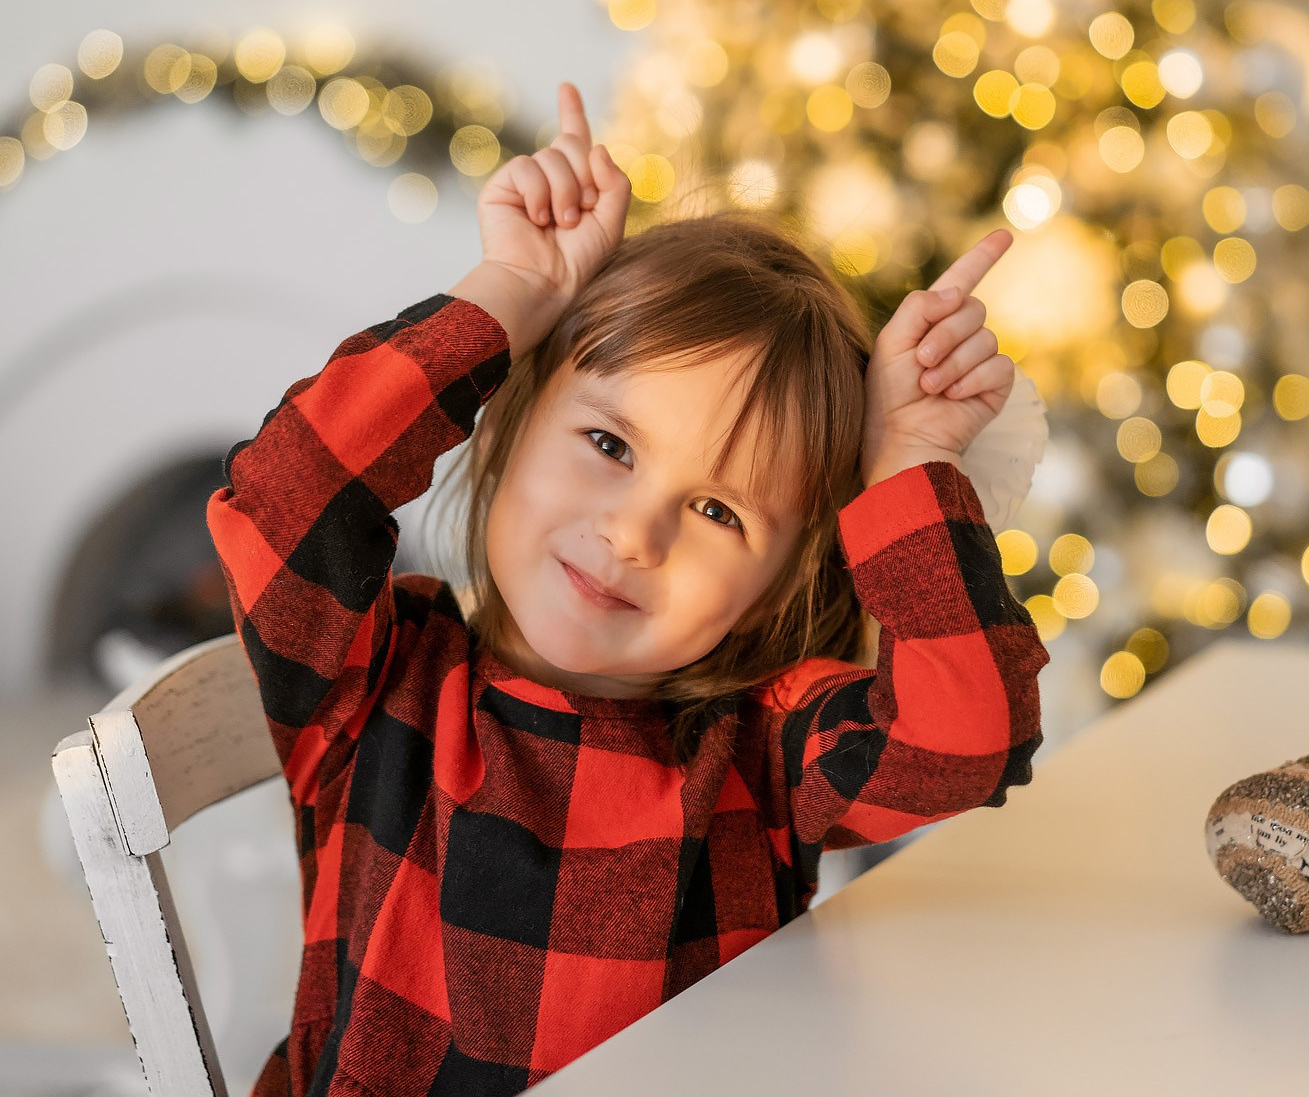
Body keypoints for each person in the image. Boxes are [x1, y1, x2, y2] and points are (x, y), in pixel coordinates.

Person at [206, 81, 1050, 1095]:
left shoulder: (768, 749)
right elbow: (286, 492)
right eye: (609, 444)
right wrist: (508, 295)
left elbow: (966, 743)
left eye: (718, 510)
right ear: (511, 424)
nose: (632, 534)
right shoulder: (376, 683)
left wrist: (906, 461)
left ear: (777, 581)